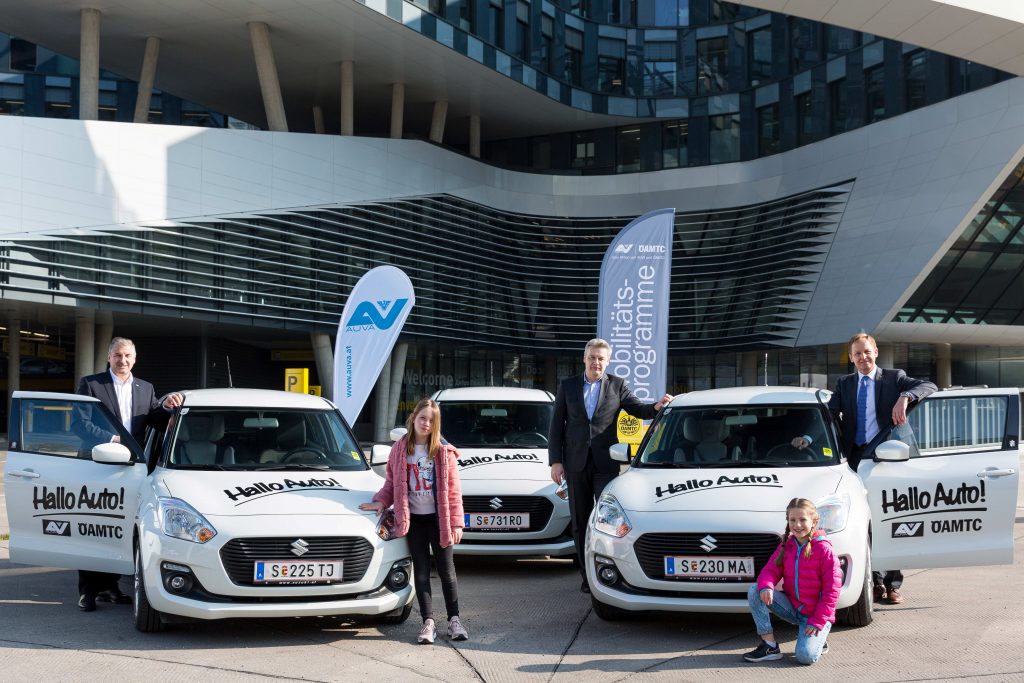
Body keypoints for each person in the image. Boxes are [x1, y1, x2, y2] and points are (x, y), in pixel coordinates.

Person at [548, 338, 673, 594]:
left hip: (606, 463)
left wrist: (656, 407)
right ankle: (586, 577)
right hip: (575, 463)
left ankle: (608, 570)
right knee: (580, 521)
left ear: (607, 361)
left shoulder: (617, 385)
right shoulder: (568, 386)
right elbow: (556, 425)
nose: (596, 362)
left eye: (601, 359)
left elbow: (638, 409)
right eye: (592, 357)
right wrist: (556, 461)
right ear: (584, 358)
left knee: (607, 520)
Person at [827, 332, 936, 604]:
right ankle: (874, 583)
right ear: (851, 359)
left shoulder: (894, 378)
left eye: (866, 352)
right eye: (857, 354)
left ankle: (892, 583)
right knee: (866, 521)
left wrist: (905, 397)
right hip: (855, 460)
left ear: (875, 351)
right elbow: (830, 414)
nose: (863, 358)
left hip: (888, 459)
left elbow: (929, 385)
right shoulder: (845, 384)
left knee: (890, 519)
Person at [75, 336, 183, 612]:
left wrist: (168, 406)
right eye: (117, 356)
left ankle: (110, 587)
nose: (122, 361)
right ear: (109, 357)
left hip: (130, 469)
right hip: (97, 465)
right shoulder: (91, 384)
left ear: (134, 359)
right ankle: (87, 591)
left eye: (127, 356)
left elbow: (156, 422)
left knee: (119, 527)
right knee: (93, 526)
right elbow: (80, 424)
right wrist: (113, 440)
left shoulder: (145, 388)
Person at [359, 398, 468, 644]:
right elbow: (391, 483)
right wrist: (380, 502)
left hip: (440, 521)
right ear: (413, 418)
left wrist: (457, 523)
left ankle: (454, 620)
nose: (426, 424)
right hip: (414, 521)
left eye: (431, 420)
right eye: (422, 418)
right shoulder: (400, 449)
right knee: (420, 571)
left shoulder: (443, 452)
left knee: (446, 571)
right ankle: (428, 622)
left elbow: (453, 491)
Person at [743, 498, 841, 666]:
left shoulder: (824, 549)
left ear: (814, 521)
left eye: (803, 520)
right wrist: (767, 586)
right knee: (755, 590)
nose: (797, 525)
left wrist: (818, 621)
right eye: (792, 520)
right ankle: (769, 646)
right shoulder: (787, 545)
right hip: (793, 608)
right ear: (788, 522)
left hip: (815, 616)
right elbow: (770, 570)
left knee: (805, 657)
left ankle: (819, 637)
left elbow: (832, 591)